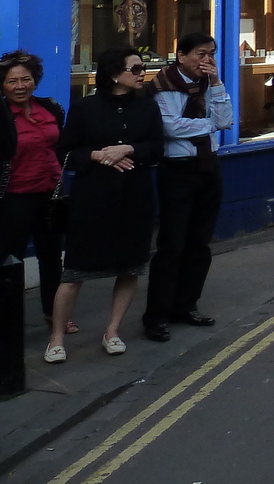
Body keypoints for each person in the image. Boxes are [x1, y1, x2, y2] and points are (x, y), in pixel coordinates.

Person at [46, 48, 164, 363]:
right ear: (114, 74)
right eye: (136, 68)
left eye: (143, 68)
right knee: (73, 272)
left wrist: (130, 148)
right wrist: (97, 155)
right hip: (92, 200)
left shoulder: (148, 108)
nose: (142, 73)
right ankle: (56, 338)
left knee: (129, 267)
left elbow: (157, 148)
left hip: (134, 198)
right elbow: (65, 153)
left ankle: (112, 332)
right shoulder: (85, 108)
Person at [143, 33, 232, 343]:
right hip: (178, 171)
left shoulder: (209, 84)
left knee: (199, 243)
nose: (206, 60)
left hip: (209, 169)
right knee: (172, 245)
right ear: (181, 56)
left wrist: (218, 84)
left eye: (211, 54)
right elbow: (169, 127)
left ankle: (186, 305)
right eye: (200, 54)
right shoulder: (162, 85)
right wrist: (210, 125)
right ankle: (156, 315)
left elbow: (227, 118)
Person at [0, 50, 69, 333]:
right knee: (9, 261)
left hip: (50, 195)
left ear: (35, 80)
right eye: (12, 81)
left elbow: (60, 146)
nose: (20, 86)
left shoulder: (50, 108)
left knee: (52, 257)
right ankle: (9, 321)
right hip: (14, 197)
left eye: (25, 79)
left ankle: (54, 316)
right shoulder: (2, 115)